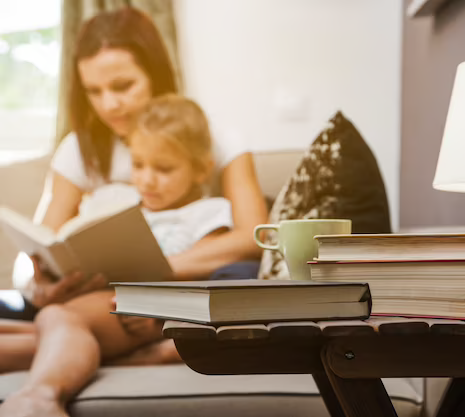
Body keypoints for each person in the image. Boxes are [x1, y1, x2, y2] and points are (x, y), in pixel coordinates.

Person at [0, 8, 266, 322]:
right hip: (95, 294)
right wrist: (35, 286)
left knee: (239, 278)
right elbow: (38, 246)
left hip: (182, 278)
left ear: (156, 76)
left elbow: (254, 235)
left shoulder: (217, 138)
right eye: (94, 91)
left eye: (123, 86)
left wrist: (154, 272)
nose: (109, 105)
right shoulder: (77, 149)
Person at [0, 94, 242, 417]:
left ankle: (41, 397)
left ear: (201, 171)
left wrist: (161, 316)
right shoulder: (124, 206)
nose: (147, 179)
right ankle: (116, 355)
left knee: (56, 318)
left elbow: (205, 278)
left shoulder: (208, 214)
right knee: (21, 336)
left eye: (164, 168)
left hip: (132, 314)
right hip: (97, 309)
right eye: (138, 165)